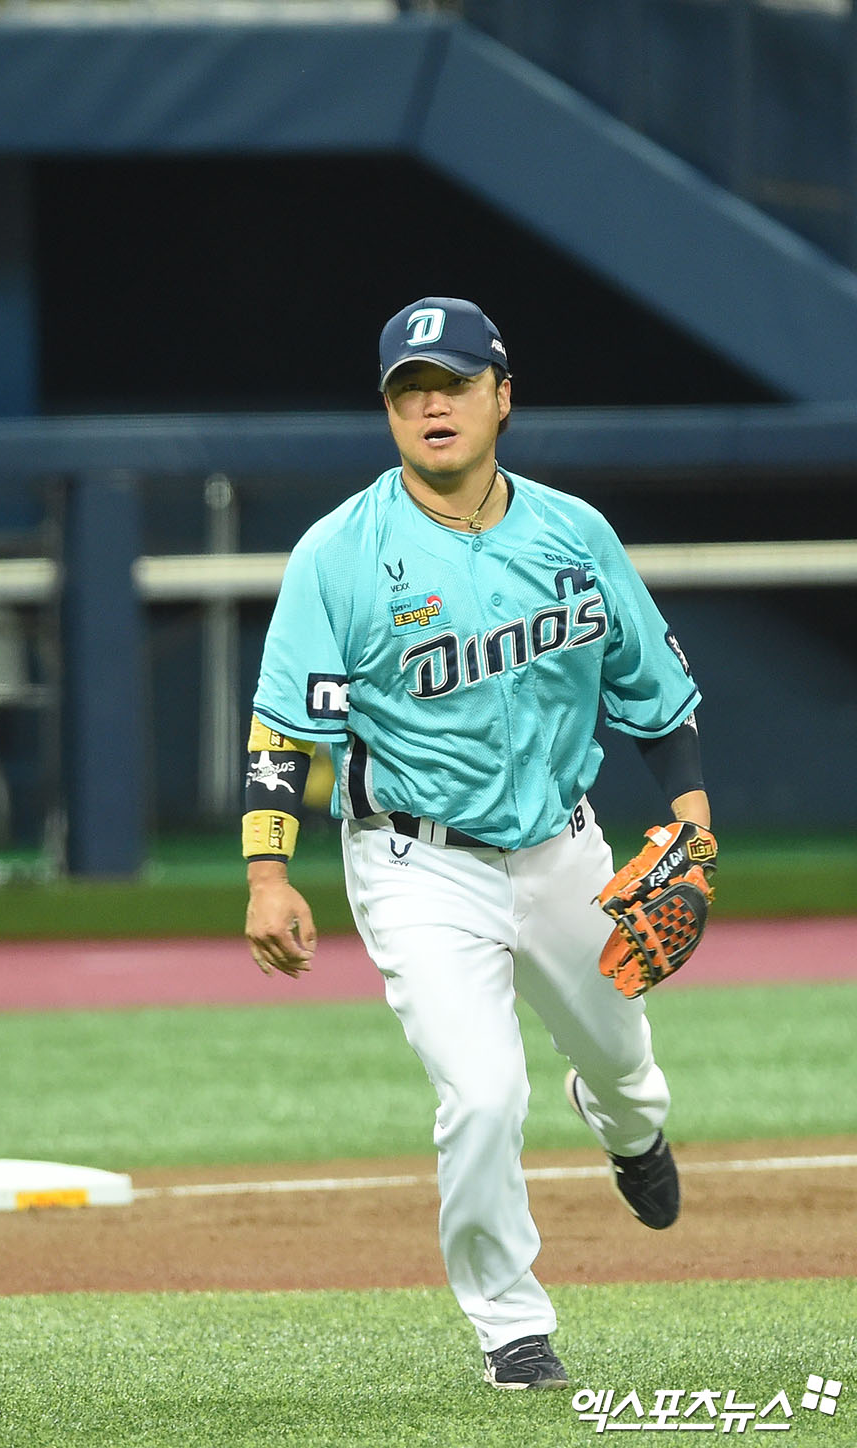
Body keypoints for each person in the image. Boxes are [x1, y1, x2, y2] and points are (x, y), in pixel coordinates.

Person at [242, 297, 713, 1390]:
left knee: (626, 1066)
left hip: (563, 849)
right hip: (416, 864)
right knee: (485, 1094)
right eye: (409, 391)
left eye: (452, 384)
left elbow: (653, 689)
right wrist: (268, 872)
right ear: (388, 413)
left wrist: (692, 822)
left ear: (503, 395)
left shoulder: (573, 533)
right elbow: (283, 730)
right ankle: (511, 1327)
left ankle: (626, 1127)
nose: (432, 405)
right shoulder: (340, 553)